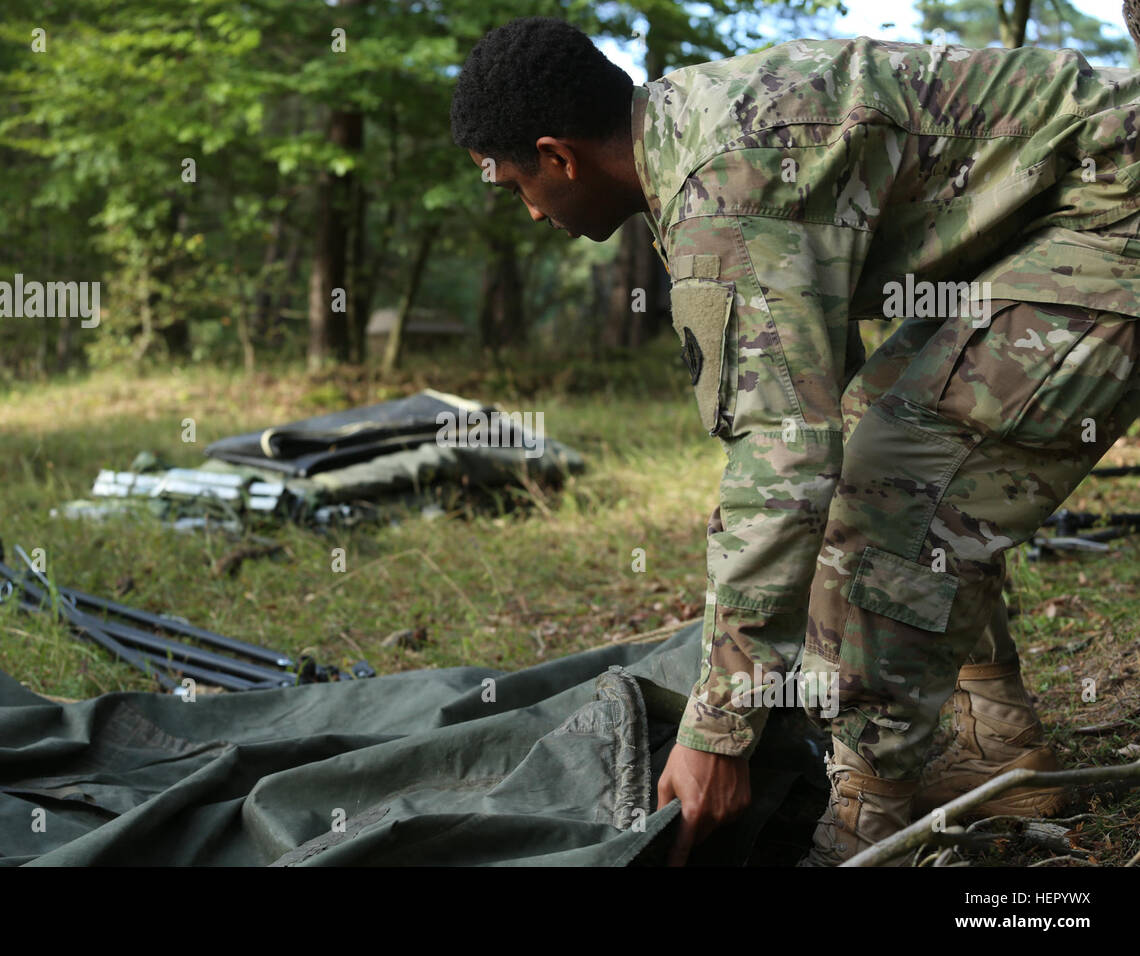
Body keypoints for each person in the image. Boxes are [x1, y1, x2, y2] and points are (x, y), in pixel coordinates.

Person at [451, 16, 1140, 865]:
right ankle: (990, 732)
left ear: (559, 156)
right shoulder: (698, 131)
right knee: (878, 432)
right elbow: (811, 417)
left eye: (519, 186)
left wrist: (718, 730)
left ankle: (872, 810)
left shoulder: (723, 185)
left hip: (1119, 207)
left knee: (897, 473)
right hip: (1065, 210)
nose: (530, 213)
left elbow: (785, 463)